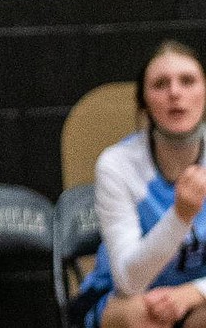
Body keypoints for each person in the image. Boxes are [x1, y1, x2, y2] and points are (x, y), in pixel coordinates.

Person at [74, 40, 206, 328]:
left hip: (195, 294)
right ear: (144, 102)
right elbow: (129, 282)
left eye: (187, 81)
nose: (175, 92)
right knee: (146, 319)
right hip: (123, 298)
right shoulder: (117, 165)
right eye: (160, 84)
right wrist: (181, 215)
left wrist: (193, 292)